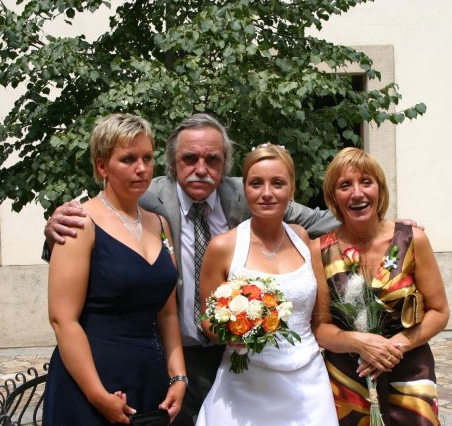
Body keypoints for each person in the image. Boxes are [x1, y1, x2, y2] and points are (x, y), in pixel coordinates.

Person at [43, 113, 338, 425]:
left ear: (225, 164)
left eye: (212, 159)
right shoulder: (146, 194)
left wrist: (373, 218)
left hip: (236, 362)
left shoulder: (252, 191)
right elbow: (93, 226)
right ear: (172, 163)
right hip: (168, 358)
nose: (201, 169)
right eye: (189, 158)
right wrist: (53, 231)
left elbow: (328, 219)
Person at [42, 113, 186, 425]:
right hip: (91, 384)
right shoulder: (79, 223)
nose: (141, 168)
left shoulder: (160, 223)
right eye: (128, 159)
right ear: (102, 166)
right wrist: (97, 395)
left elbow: (167, 313)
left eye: (147, 157)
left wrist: (178, 376)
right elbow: (62, 320)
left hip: (149, 381)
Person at [196, 143, 338, 426]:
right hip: (246, 383)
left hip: (307, 382)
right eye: (256, 183)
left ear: (291, 189)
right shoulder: (223, 247)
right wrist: (232, 332)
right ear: (245, 189)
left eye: (278, 183)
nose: (267, 193)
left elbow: (320, 317)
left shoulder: (303, 239)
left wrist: (394, 226)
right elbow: (207, 320)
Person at [311, 147, 450, 425]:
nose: (357, 193)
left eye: (366, 182)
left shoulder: (413, 240)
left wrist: (396, 345)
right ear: (334, 197)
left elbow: (439, 311)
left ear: (380, 189)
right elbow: (320, 327)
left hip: (409, 368)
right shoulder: (320, 250)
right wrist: (359, 342)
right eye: (345, 186)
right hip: (350, 375)